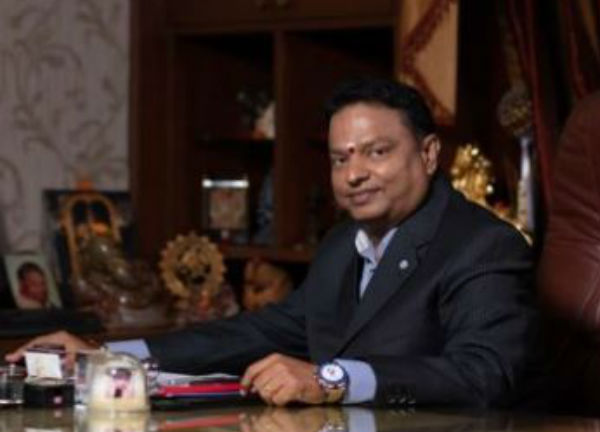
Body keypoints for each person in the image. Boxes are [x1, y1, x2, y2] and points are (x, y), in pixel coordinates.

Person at [7, 78, 540, 408]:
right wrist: (106, 356)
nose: (354, 173)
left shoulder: (483, 244)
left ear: (428, 154)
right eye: (340, 158)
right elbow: (258, 331)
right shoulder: (343, 243)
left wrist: (330, 379)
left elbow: (485, 373)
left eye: (376, 152)